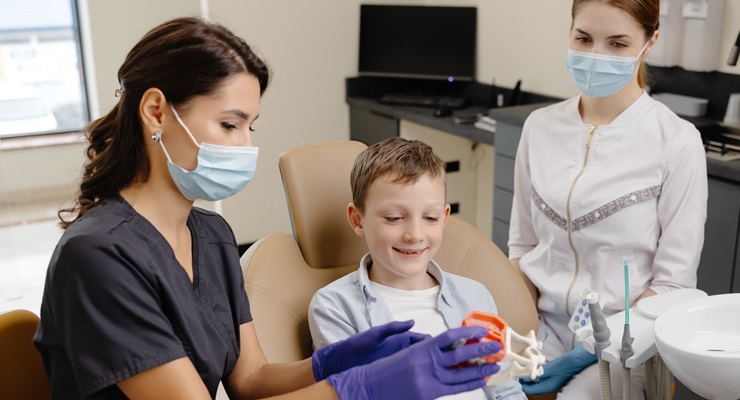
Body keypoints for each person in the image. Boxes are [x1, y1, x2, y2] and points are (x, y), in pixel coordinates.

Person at [33, 17, 502, 400]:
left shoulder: (212, 237)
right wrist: (359, 387)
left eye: (250, 126)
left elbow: (251, 381)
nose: (247, 145)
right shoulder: (97, 257)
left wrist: (331, 361)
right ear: (156, 111)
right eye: (229, 124)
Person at [509, 1, 707, 399]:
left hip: (624, 341)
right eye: (583, 38)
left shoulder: (676, 141)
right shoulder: (540, 127)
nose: (595, 55)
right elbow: (524, 246)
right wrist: (519, 332)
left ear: (650, 42)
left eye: (617, 43)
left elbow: (673, 284)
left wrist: (590, 350)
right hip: (538, 325)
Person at [307, 137, 528, 400]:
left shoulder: (474, 296)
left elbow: (505, 389)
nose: (415, 234)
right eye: (394, 218)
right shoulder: (336, 306)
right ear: (358, 219)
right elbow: (350, 392)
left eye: (430, 218)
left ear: (444, 218)